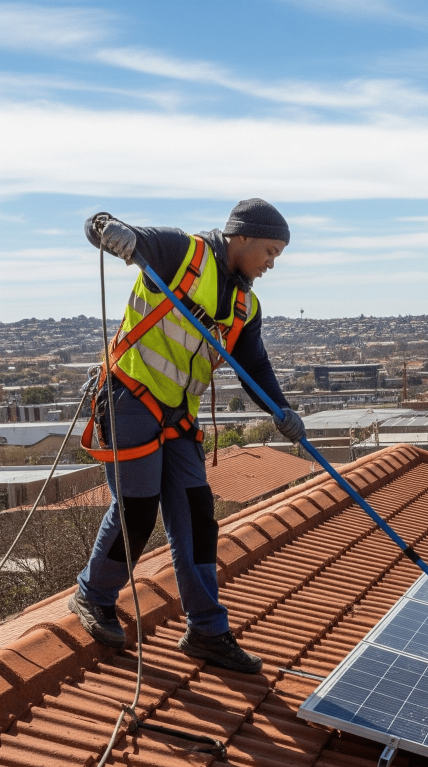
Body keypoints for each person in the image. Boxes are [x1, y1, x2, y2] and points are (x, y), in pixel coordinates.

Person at [68, 199, 306, 674]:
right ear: (241, 236)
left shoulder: (245, 305)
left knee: (197, 517)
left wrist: (280, 410)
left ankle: (207, 630)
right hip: (131, 398)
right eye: (269, 251)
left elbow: (253, 365)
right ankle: (94, 595)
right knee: (137, 508)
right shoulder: (181, 253)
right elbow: (100, 227)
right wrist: (111, 231)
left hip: (178, 416)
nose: (271, 264)